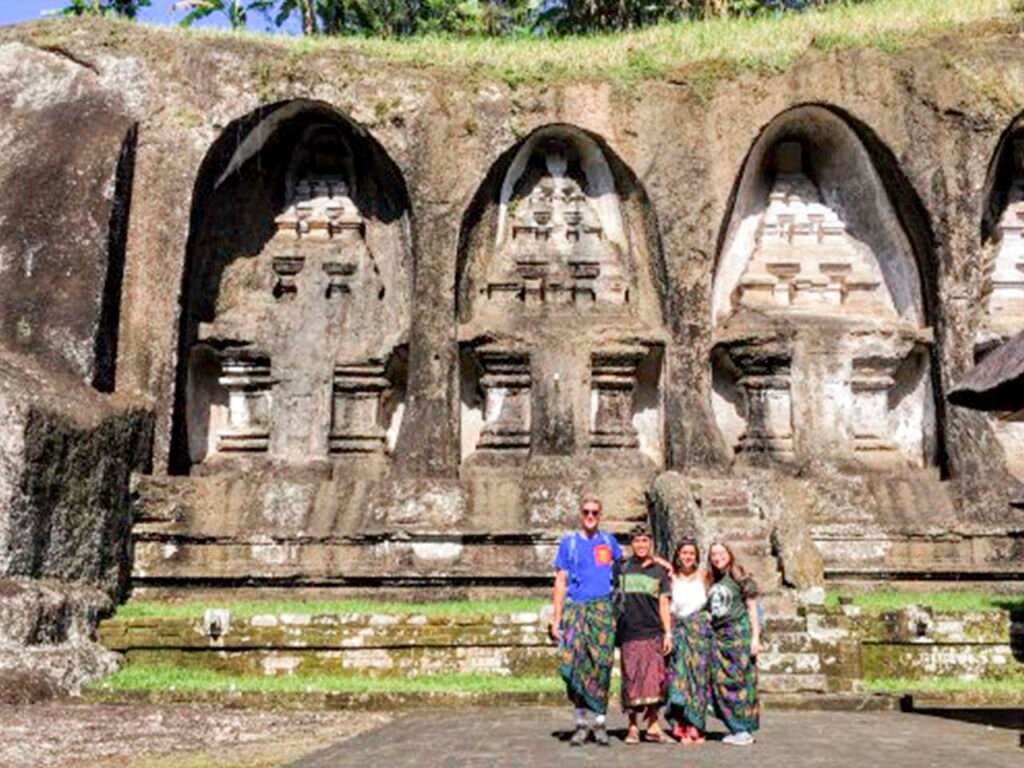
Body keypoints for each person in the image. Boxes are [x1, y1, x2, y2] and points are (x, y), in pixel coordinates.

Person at [550, 495, 622, 747]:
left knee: (601, 667)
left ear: (600, 515)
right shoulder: (568, 544)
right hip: (576, 611)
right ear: (580, 515)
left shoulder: (608, 542)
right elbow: (560, 580)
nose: (590, 516)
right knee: (575, 666)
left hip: (602, 611)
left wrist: (661, 563)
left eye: (595, 512)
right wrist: (556, 618)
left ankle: (600, 722)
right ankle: (580, 723)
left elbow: (625, 569)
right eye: (586, 512)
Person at [614, 524, 672, 745]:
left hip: (653, 631)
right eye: (637, 541)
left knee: (655, 680)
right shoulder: (622, 568)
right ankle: (632, 726)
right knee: (632, 679)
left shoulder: (659, 572)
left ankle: (654, 726)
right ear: (632, 544)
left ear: (650, 544)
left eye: (645, 541)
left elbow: (664, 604)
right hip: (629, 632)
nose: (641, 545)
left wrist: (668, 634)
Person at [707, 540, 761, 746]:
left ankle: (742, 729)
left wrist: (756, 638)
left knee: (738, 682)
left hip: (739, 635)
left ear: (729, 554)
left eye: (721, 553)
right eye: (713, 554)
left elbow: (752, 607)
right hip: (720, 637)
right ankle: (737, 727)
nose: (717, 557)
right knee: (721, 680)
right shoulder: (714, 580)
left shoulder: (737, 574)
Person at [665, 537, 712, 745]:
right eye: (684, 553)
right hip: (678, 631)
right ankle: (679, 723)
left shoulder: (705, 576)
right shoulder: (670, 577)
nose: (688, 557)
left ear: (697, 557)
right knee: (678, 678)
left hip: (699, 632)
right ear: (677, 555)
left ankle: (696, 724)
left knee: (698, 679)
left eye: (692, 553)